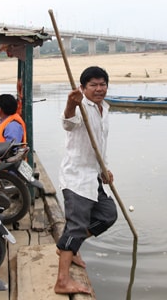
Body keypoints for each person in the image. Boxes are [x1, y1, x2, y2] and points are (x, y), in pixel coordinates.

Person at [54, 66, 118, 295]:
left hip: (93, 175)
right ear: (83, 88)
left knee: (108, 215)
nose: (99, 89)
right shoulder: (81, 106)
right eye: (93, 85)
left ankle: (69, 246)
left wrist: (104, 169)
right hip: (76, 178)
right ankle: (62, 280)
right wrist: (71, 103)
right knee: (77, 225)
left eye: (103, 84)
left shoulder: (104, 108)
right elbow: (68, 123)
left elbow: (100, 143)